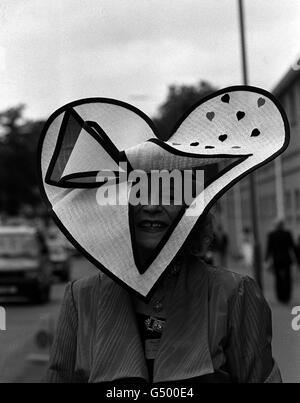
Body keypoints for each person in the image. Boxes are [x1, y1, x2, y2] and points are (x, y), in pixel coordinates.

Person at [45, 194, 281, 383]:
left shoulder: (234, 293)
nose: (151, 206)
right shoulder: (82, 297)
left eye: (168, 192)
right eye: (137, 193)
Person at [265, 219, 298, 304]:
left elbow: (269, 249)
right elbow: (292, 247)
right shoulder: (287, 234)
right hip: (286, 259)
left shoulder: (271, 235)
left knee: (278, 278)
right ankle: (287, 296)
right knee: (287, 278)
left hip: (276, 260)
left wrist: (266, 259)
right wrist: (297, 258)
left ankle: (280, 296)